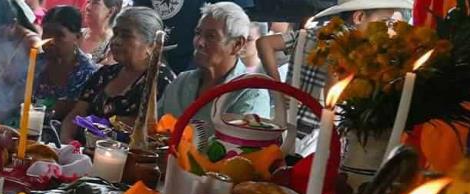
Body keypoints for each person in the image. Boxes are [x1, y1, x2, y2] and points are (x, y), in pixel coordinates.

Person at [257, 0, 411, 150]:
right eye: (384, 22)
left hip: (287, 123)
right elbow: (334, 83)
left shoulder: (314, 34)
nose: (387, 31)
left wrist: (279, 87)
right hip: (317, 134)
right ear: (359, 17)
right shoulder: (354, 48)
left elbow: (264, 43)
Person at [60, 7, 176, 142]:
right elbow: (76, 113)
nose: (116, 41)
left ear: (151, 44)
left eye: (126, 36)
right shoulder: (105, 74)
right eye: (115, 34)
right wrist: (68, 144)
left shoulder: (163, 83)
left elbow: (153, 133)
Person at [158, 3, 270, 132]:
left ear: (237, 45)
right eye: (197, 33)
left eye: (211, 36)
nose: (199, 42)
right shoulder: (181, 82)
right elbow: (153, 129)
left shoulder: (251, 92)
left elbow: (245, 148)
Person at [35, 6, 98, 120]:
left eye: (59, 35)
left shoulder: (89, 74)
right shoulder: (34, 64)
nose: (51, 41)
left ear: (77, 37)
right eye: (46, 33)